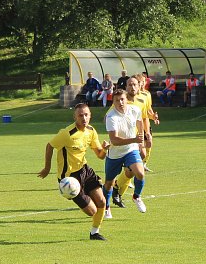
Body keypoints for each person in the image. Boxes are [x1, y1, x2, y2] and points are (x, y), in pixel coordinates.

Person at [38, 103, 110, 241]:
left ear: (90, 115)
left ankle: (94, 233)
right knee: (92, 211)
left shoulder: (91, 131)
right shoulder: (67, 133)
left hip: (85, 170)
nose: (84, 118)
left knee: (102, 201)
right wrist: (47, 168)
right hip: (69, 178)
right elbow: (50, 146)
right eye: (80, 115)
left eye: (86, 114)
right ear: (75, 117)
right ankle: (92, 225)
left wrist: (105, 149)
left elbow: (100, 155)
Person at [111, 75, 154, 207]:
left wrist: (147, 134)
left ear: (140, 85)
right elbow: (110, 117)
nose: (133, 87)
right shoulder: (121, 100)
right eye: (130, 85)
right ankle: (115, 190)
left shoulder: (143, 98)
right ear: (126, 86)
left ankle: (118, 191)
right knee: (131, 170)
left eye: (135, 84)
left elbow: (144, 117)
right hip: (123, 141)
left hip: (137, 140)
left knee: (132, 170)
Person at [103, 89, 146, 219]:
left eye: (122, 99)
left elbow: (140, 124)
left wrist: (141, 143)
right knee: (109, 183)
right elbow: (114, 140)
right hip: (115, 153)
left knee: (140, 173)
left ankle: (136, 197)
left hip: (130, 150)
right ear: (113, 102)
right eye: (117, 100)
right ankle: (106, 207)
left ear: (126, 98)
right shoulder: (111, 117)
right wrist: (135, 139)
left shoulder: (135, 110)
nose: (120, 102)